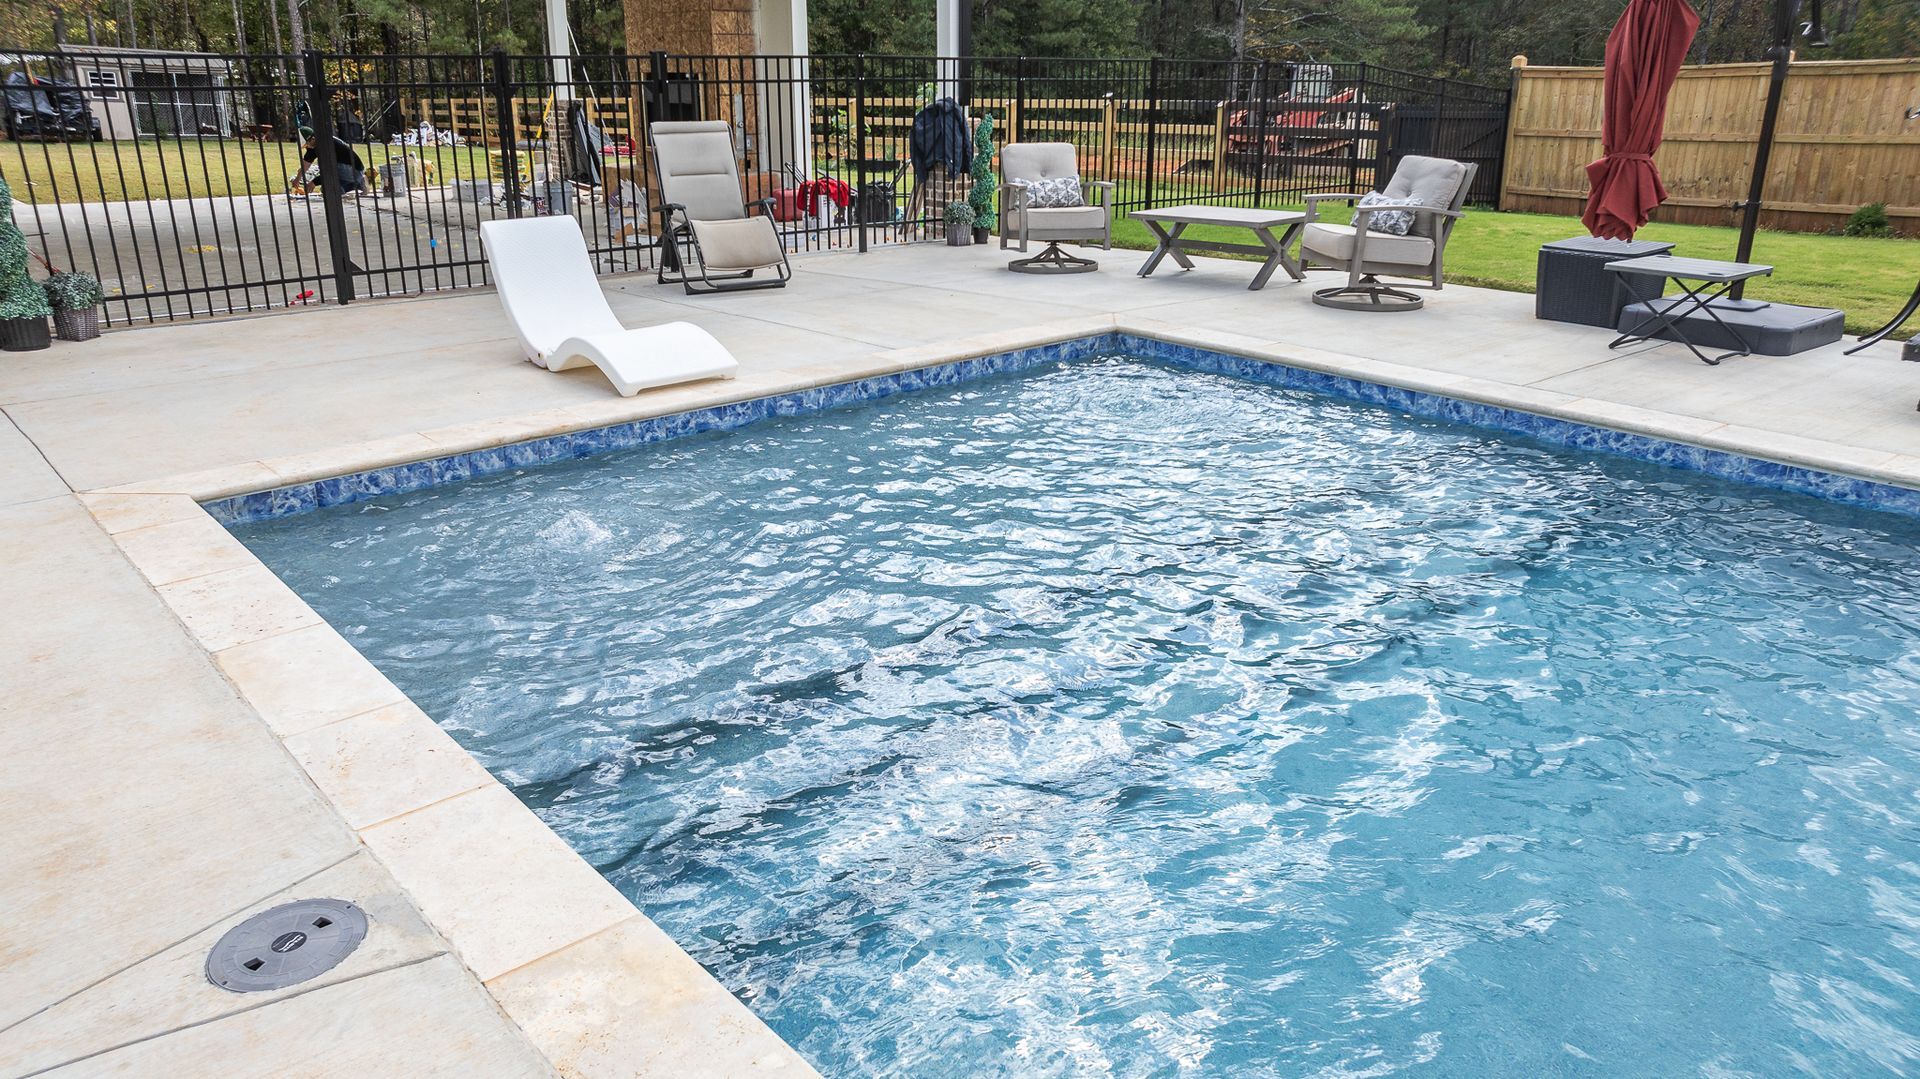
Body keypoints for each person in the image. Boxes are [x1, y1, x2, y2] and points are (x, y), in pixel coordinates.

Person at [290, 126, 367, 196]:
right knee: (327, 189)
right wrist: (297, 179)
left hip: (353, 170)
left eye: (307, 144)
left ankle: (358, 181)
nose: (307, 147)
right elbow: (305, 164)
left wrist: (314, 182)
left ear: (312, 139)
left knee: (323, 168)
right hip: (345, 170)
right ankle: (357, 185)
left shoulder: (326, 145)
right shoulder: (313, 145)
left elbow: (329, 172)